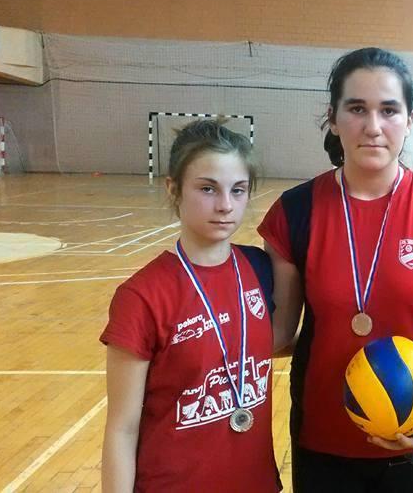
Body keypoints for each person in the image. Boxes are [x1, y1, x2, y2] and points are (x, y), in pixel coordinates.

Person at [257, 47, 413, 491]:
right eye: (357, 109)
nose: (373, 126)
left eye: (389, 110)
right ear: (333, 117)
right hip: (322, 436)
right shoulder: (295, 211)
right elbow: (281, 331)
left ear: (410, 119)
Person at [101, 120, 281, 492]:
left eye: (238, 190)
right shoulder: (142, 296)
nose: (225, 205)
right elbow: (122, 428)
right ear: (173, 189)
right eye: (207, 188)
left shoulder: (260, 269)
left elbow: (269, 343)